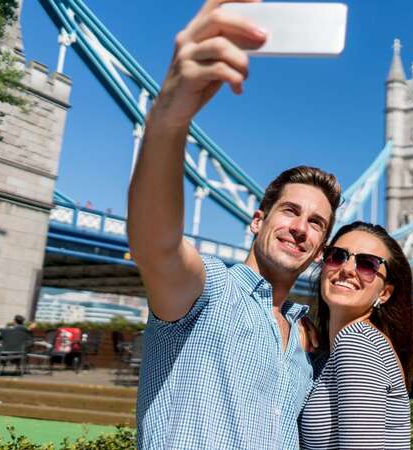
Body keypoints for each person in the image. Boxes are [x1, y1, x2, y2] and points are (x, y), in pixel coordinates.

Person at [128, 1, 341, 447]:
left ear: (320, 251)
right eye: (289, 211)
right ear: (257, 220)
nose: (300, 227)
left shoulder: (308, 338)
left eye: (316, 223)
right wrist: (170, 116)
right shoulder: (206, 293)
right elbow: (157, 246)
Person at [299, 222, 413, 449]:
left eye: (368, 264)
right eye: (337, 256)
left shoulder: (357, 342)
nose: (347, 268)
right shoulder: (335, 353)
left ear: (384, 293)